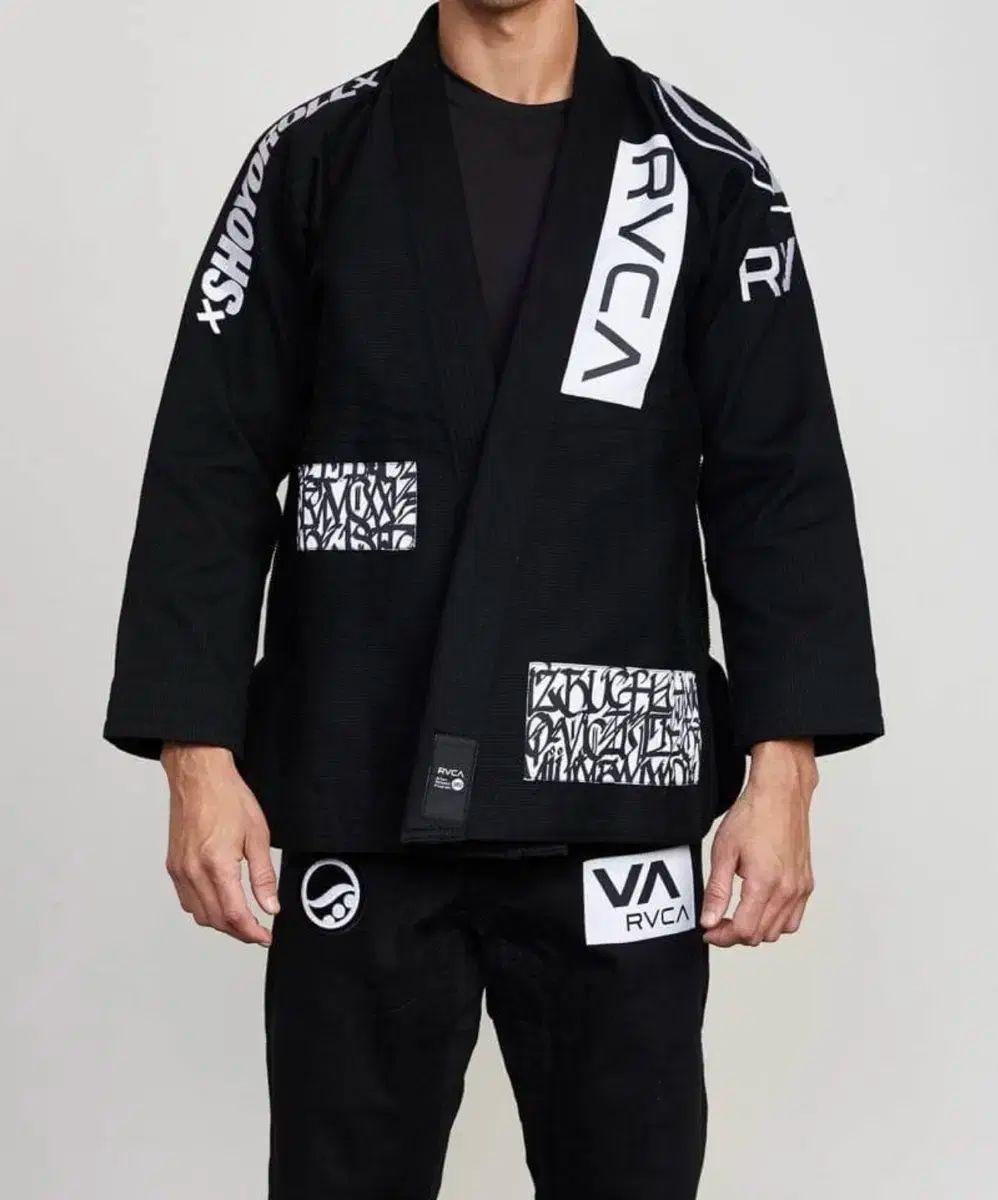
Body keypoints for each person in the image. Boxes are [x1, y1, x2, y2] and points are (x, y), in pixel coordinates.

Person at [104, 1, 883, 1196]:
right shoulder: (316, 158)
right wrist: (195, 761)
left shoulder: (698, 173)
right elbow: (209, 462)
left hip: (610, 784)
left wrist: (783, 774)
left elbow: (777, 481)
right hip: (363, 774)